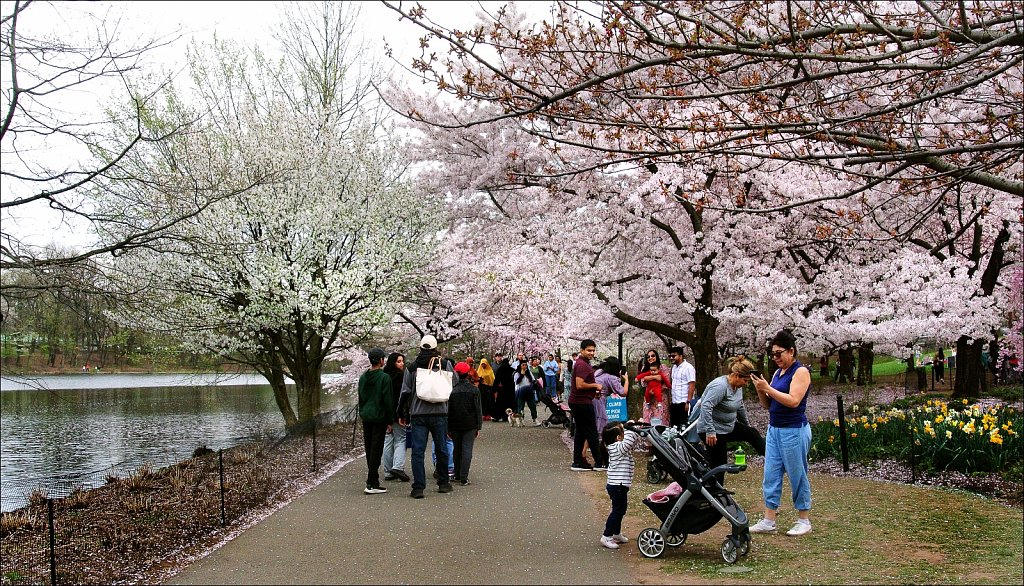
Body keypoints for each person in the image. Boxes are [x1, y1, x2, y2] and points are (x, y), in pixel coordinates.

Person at [750, 329, 813, 536]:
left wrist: (768, 388)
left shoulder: (800, 372)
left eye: (779, 353)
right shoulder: (778, 373)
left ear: (791, 351)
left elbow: (793, 400)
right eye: (773, 354)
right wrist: (761, 391)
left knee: (797, 474)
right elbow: (769, 405)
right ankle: (769, 519)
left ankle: (803, 519)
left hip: (793, 430)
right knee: (771, 474)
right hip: (774, 430)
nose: (775, 358)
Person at [397, 334, 456, 498]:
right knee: (442, 448)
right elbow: (455, 384)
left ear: (421, 347)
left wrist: (401, 413)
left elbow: (405, 391)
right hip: (440, 413)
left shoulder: (412, 367)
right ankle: (444, 483)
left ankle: (418, 488)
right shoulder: (445, 364)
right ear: (436, 347)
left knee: (418, 451)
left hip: (418, 413)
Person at [697, 356, 766, 485]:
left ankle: (774, 460)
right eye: (745, 381)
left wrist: (746, 427)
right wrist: (710, 431)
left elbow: (739, 406)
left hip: (727, 427)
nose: (746, 384)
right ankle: (715, 496)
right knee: (719, 465)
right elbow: (706, 406)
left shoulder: (737, 387)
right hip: (712, 430)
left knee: (752, 433)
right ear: (736, 375)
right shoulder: (720, 386)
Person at [357, 348, 394, 495]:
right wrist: (390, 419)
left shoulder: (363, 377)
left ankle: (373, 479)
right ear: (381, 360)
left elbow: (360, 397)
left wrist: (362, 411)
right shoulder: (384, 378)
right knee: (376, 448)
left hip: (366, 415)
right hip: (379, 417)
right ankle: (371, 482)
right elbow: (388, 400)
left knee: (369, 447)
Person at [599, 420, 640, 550]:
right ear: (618, 437)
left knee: (621, 510)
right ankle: (606, 536)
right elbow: (628, 442)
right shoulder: (616, 448)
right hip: (617, 486)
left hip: (620, 485)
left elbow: (632, 442)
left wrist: (632, 428)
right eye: (623, 432)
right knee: (617, 510)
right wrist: (630, 428)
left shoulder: (618, 447)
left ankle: (616, 533)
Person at [569, 339, 606, 471]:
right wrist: (595, 385)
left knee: (581, 432)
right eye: (589, 350)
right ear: (582, 350)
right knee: (591, 432)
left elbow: (582, 385)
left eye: (593, 350)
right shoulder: (582, 365)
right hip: (581, 402)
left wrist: (592, 391)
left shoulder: (583, 363)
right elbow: (579, 385)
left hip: (580, 400)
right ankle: (599, 462)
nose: (591, 353)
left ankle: (578, 462)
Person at [448, 362, 483, 485]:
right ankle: (464, 476)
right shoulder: (474, 390)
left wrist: (448, 427)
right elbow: (478, 409)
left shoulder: (452, 390)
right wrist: (478, 425)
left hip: (455, 424)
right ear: (468, 373)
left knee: (457, 449)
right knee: (467, 449)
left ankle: (457, 474)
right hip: (470, 424)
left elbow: (449, 410)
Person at [382, 352, 410, 483]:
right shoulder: (401, 377)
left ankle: (388, 471)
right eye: (399, 361)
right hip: (397, 413)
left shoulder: (384, 376)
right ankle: (397, 466)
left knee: (388, 439)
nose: (402, 364)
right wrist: (402, 414)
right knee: (400, 439)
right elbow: (403, 397)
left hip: (386, 413)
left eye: (402, 361)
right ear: (393, 362)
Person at [637, 349, 671, 426]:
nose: (650, 358)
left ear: (657, 357)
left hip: (660, 398)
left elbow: (666, 383)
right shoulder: (644, 368)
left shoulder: (663, 367)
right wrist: (655, 377)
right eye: (648, 356)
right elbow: (643, 382)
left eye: (653, 356)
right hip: (649, 398)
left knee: (661, 422)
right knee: (647, 421)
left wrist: (655, 390)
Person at [668, 346, 697, 430]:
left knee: (683, 427)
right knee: (674, 427)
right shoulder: (674, 368)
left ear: (680, 356)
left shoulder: (688, 368)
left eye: (674, 356)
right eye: (670, 356)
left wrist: (688, 402)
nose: (671, 358)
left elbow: (692, 385)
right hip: (675, 402)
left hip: (684, 402)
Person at [514, 359, 542, 426]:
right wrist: (521, 375)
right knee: (520, 407)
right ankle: (521, 420)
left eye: (525, 365)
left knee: (532, 406)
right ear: (520, 366)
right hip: (520, 391)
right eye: (523, 365)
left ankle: (535, 419)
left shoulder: (529, 372)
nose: (524, 366)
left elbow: (533, 380)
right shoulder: (517, 373)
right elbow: (517, 382)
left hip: (529, 391)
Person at [493, 352, 516, 421]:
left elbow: (496, 380)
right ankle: (509, 416)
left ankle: (500, 416)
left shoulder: (500, 369)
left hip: (502, 389)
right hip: (510, 389)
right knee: (510, 403)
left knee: (501, 403)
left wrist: (494, 389)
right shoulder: (512, 370)